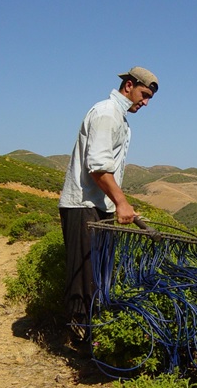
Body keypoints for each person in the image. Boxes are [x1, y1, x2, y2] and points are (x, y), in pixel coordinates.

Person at [58, 66, 159, 336]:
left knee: (98, 274)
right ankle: (81, 341)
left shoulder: (120, 119)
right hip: (83, 205)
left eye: (149, 97)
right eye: (144, 94)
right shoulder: (106, 114)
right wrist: (122, 203)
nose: (145, 102)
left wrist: (116, 204)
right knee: (85, 278)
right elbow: (99, 167)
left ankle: (93, 335)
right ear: (129, 85)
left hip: (98, 206)